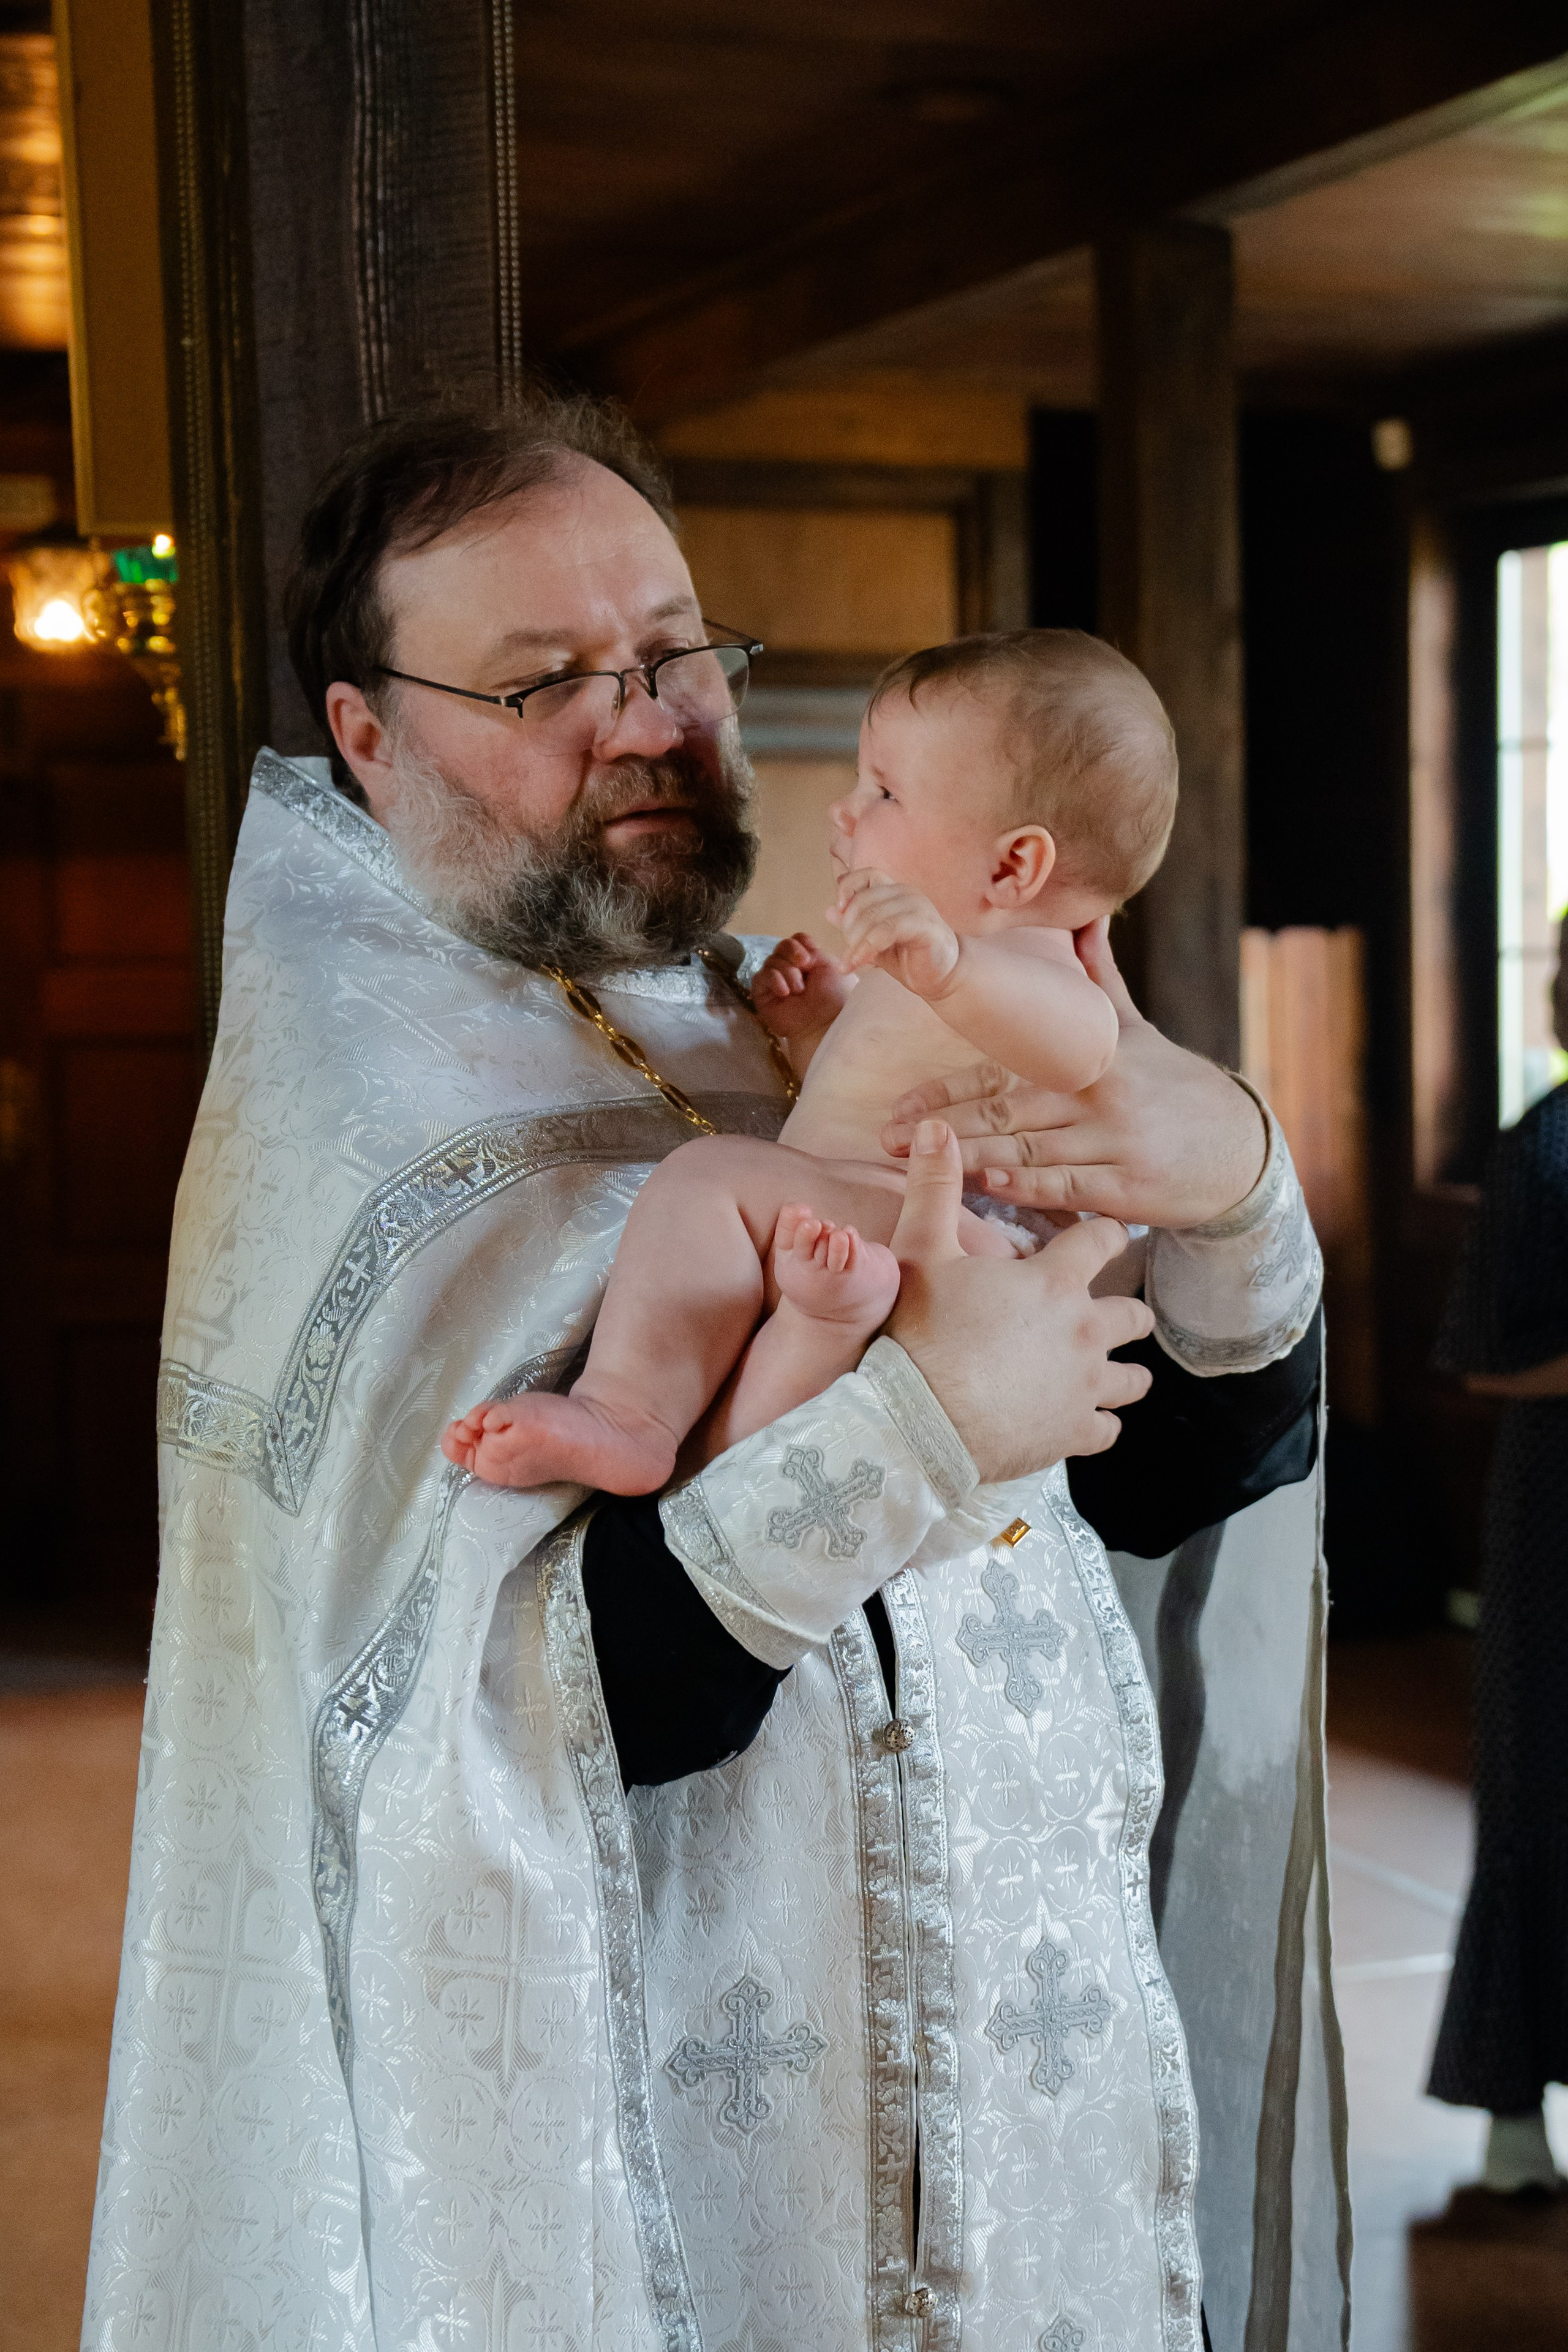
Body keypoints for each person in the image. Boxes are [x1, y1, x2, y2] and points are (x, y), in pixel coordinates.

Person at [84, 392, 1336, 2351]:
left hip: (1032, 2085)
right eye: (546, 681)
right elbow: (512, 1730)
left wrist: (1239, 1180)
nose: (648, 717)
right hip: (691, 2162)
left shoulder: (813, 1023)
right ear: (369, 733)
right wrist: (923, 1431)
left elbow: (1171, 1476)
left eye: (672, 651)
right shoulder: (350, 1143)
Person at [442, 629, 1170, 1494]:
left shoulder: (1034, 965)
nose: (846, 809)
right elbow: (889, 1087)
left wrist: (952, 966)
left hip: (960, 1250)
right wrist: (815, 1029)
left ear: (1015, 865)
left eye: (887, 791)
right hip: (873, 1221)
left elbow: (1087, 1045)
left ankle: (630, 1413)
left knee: (705, 1179)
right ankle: (815, 1336)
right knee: (771, 1386)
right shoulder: (959, 971)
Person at [1428, 928, 1568, 2193]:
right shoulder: (1540, 1147)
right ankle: (1510, 2119)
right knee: (1538, 1793)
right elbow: (1477, 1351)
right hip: (1553, 1517)